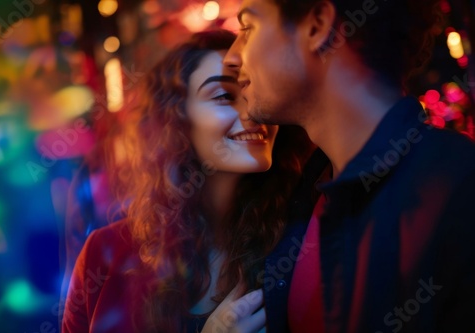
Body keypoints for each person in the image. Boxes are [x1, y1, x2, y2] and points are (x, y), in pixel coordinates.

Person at [224, 0, 475, 332]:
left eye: (248, 27)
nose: (232, 56)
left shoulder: (458, 190)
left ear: (317, 26)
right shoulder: (302, 194)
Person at [62, 29, 316, 333]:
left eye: (253, 92)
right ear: (177, 121)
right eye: (224, 96)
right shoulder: (104, 254)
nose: (253, 111)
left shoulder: (304, 238)